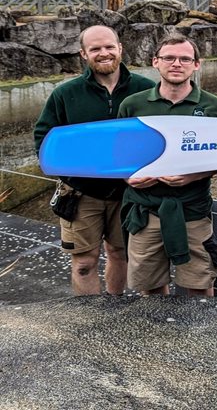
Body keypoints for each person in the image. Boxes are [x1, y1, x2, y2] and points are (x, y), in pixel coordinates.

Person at [33, 25, 155, 295]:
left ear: (120, 48)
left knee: (120, 253)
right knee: (84, 262)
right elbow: (44, 142)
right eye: (95, 49)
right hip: (81, 193)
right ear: (83, 54)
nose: (104, 53)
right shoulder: (65, 94)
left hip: (129, 193)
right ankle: (89, 319)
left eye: (109, 47)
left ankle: (113, 309)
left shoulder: (145, 89)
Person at [117, 33, 217, 296]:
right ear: (155, 62)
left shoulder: (215, 108)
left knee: (199, 286)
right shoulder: (132, 105)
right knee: (150, 287)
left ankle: (199, 335)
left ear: (196, 65)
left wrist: (193, 176)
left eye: (184, 58)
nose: (176, 64)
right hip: (146, 212)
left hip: (192, 211)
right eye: (169, 58)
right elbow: (121, 155)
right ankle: (158, 335)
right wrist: (128, 178)